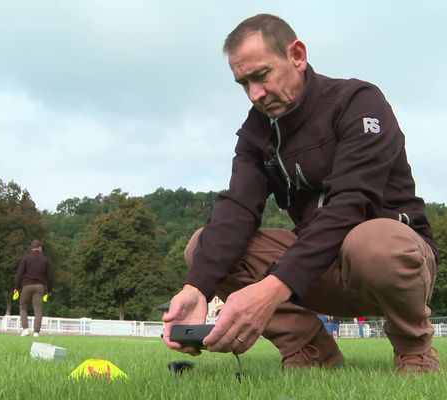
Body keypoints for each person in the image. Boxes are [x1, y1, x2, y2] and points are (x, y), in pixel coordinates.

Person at [162, 13, 439, 374]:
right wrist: (196, 288)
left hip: (388, 263)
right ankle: (311, 351)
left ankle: (414, 350)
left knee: (373, 241)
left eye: (261, 75)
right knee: (204, 247)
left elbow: (351, 205)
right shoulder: (256, 131)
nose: (255, 94)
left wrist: (272, 289)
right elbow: (237, 209)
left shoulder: (358, 102)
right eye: (243, 83)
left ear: (297, 55)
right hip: (315, 267)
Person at [13, 239, 54, 337]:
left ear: (32, 248)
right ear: (40, 248)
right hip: (39, 286)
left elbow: (19, 274)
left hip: (27, 285)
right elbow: (50, 277)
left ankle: (25, 329)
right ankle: (36, 332)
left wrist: (16, 287)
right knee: (38, 310)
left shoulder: (26, 259)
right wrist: (49, 291)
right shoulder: (45, 260)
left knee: (23, 306)